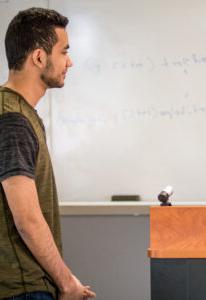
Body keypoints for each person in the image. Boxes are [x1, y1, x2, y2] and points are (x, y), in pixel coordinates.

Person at [0, 7, 96, 300]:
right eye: (64, 51)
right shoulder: (12, 118)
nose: (70, 62)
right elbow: (27, 218)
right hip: (22, 289)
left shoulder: (19, 113)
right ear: (39, 57)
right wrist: (67, 284)